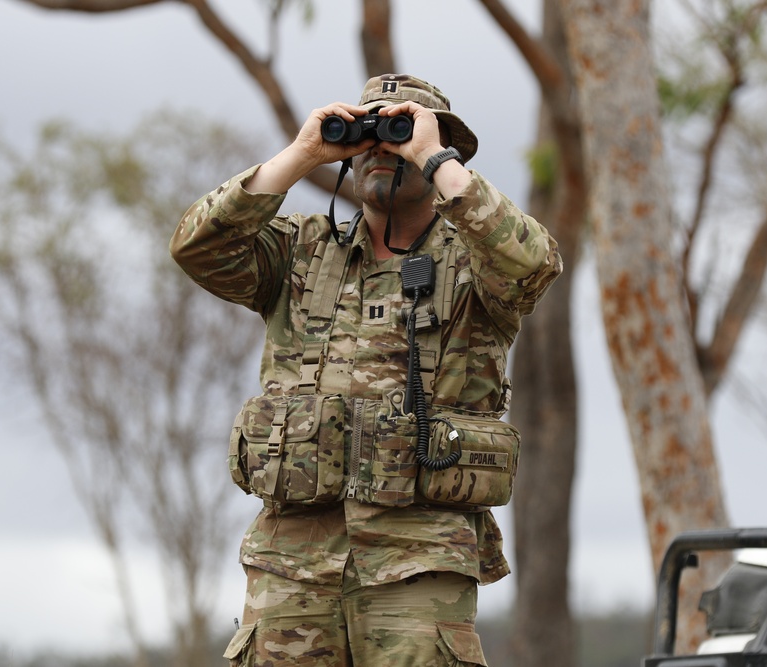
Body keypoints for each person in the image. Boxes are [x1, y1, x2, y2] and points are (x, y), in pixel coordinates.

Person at [170, 73, 562, 666]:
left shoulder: (477, 267)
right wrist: (306, 153)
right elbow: (197, 248)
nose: (381, 148)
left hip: (418, 560)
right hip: (291, 563)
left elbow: (534, 262)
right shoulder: (299, 252)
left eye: (398, 131)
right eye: (367, 134)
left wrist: (433, 156)